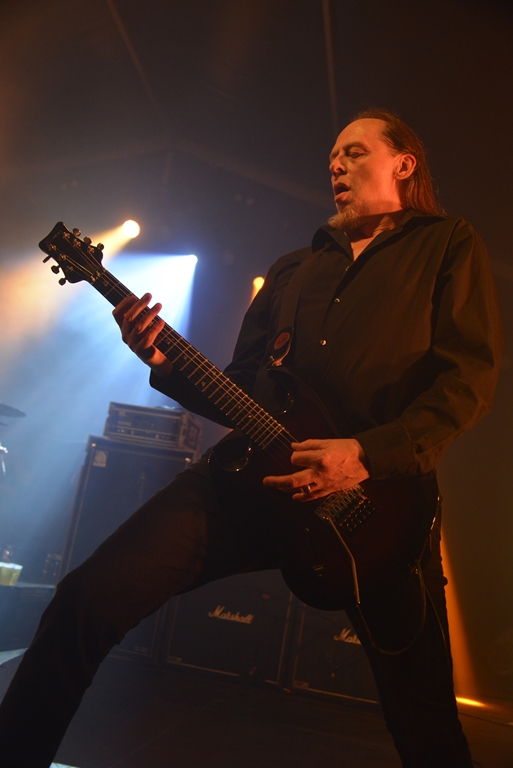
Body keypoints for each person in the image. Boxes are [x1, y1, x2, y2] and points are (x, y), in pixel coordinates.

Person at [0, 110, 502, 768]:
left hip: (379, 506)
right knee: (84, 600)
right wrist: (165, 363)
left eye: (354, 152)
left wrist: (364, 454)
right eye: (331, 158)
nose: (336, 165)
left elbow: (466, 379)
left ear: (403, 164)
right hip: (249, 480)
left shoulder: (446, 244)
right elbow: (239, 388)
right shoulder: (293, 270)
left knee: (424, 714)